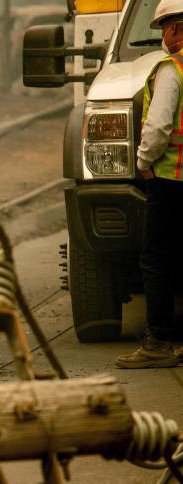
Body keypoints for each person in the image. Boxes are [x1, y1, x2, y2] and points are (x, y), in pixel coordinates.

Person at [116, 0, 183, 369]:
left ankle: (158, 342)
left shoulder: (171, 68)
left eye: (162, 31)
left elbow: (157, 128)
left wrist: (143, 162)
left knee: (157, 259)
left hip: (170, 179)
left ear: (173, 28)